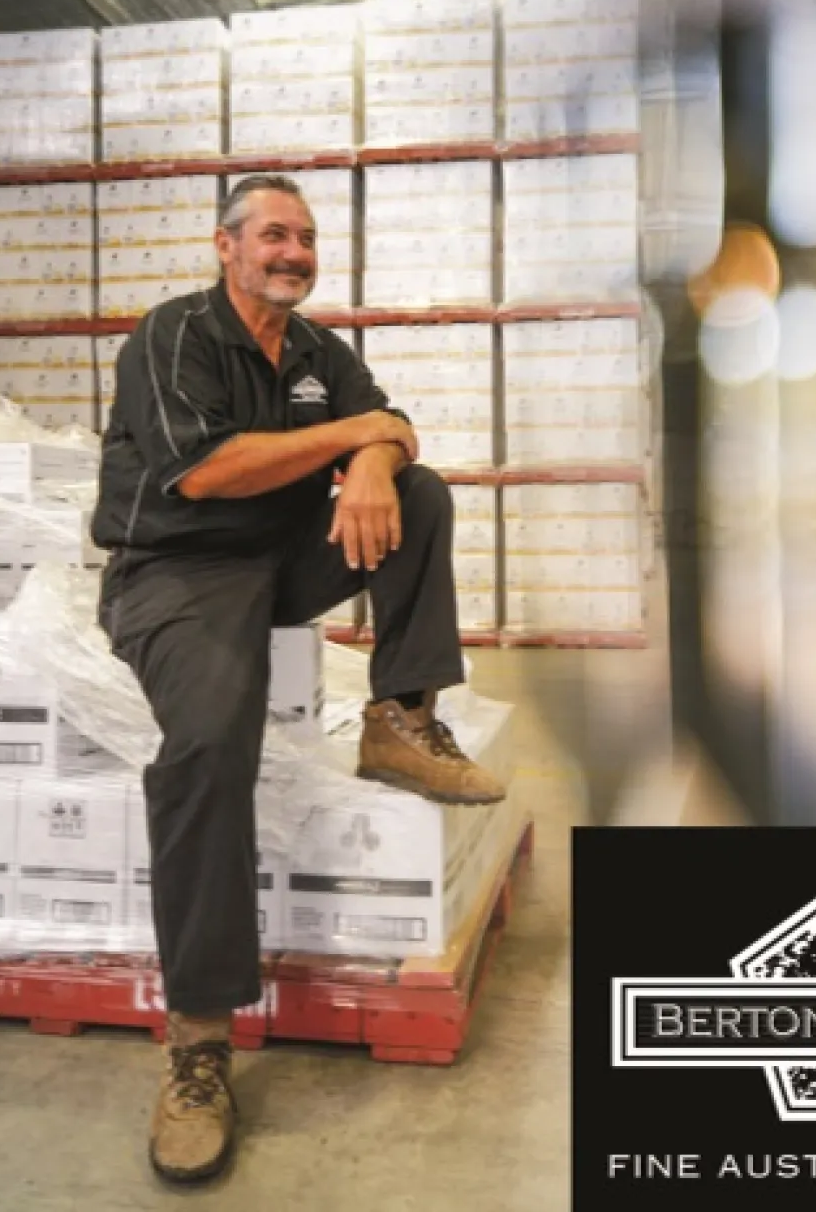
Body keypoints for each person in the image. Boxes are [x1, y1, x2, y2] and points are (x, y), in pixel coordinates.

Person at [93, 174, 507, 1184]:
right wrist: (354, 441)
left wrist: (375, 460)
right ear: (226, 245)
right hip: (180, 570)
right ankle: (197, 1042)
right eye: (275, 234)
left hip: (280, 562)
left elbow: (393, 424)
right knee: (205, 745)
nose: (295, 252)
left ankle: (400, 716)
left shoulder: (319, 351)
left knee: (419, 492)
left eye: (308, 238)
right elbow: (209, 469)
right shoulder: (173, 333)